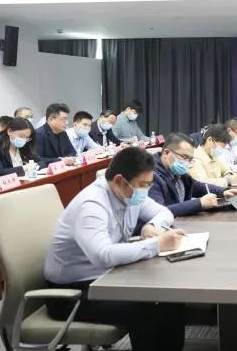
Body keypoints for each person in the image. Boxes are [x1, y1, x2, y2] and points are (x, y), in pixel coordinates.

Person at [44, 147, 186, 351]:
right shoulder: (92, 204)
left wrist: (151, 226)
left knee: (171, 296)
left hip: (106, 278)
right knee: (147, 307)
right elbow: (103, 255)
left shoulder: (128, 193)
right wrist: (156, 244)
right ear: (120, 180)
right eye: (143, 185)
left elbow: (164, 213)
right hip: (72, 294)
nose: (146, 190)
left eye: (149, 184)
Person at [148, 133, 237, 217]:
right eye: (184, 157)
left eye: (190, 159)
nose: (187, 163)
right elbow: (159, 212)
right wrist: (199, 203)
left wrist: (223, 192)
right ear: (167, 153)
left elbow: (197, 187)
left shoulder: (177, 172)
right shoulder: (150, 177)